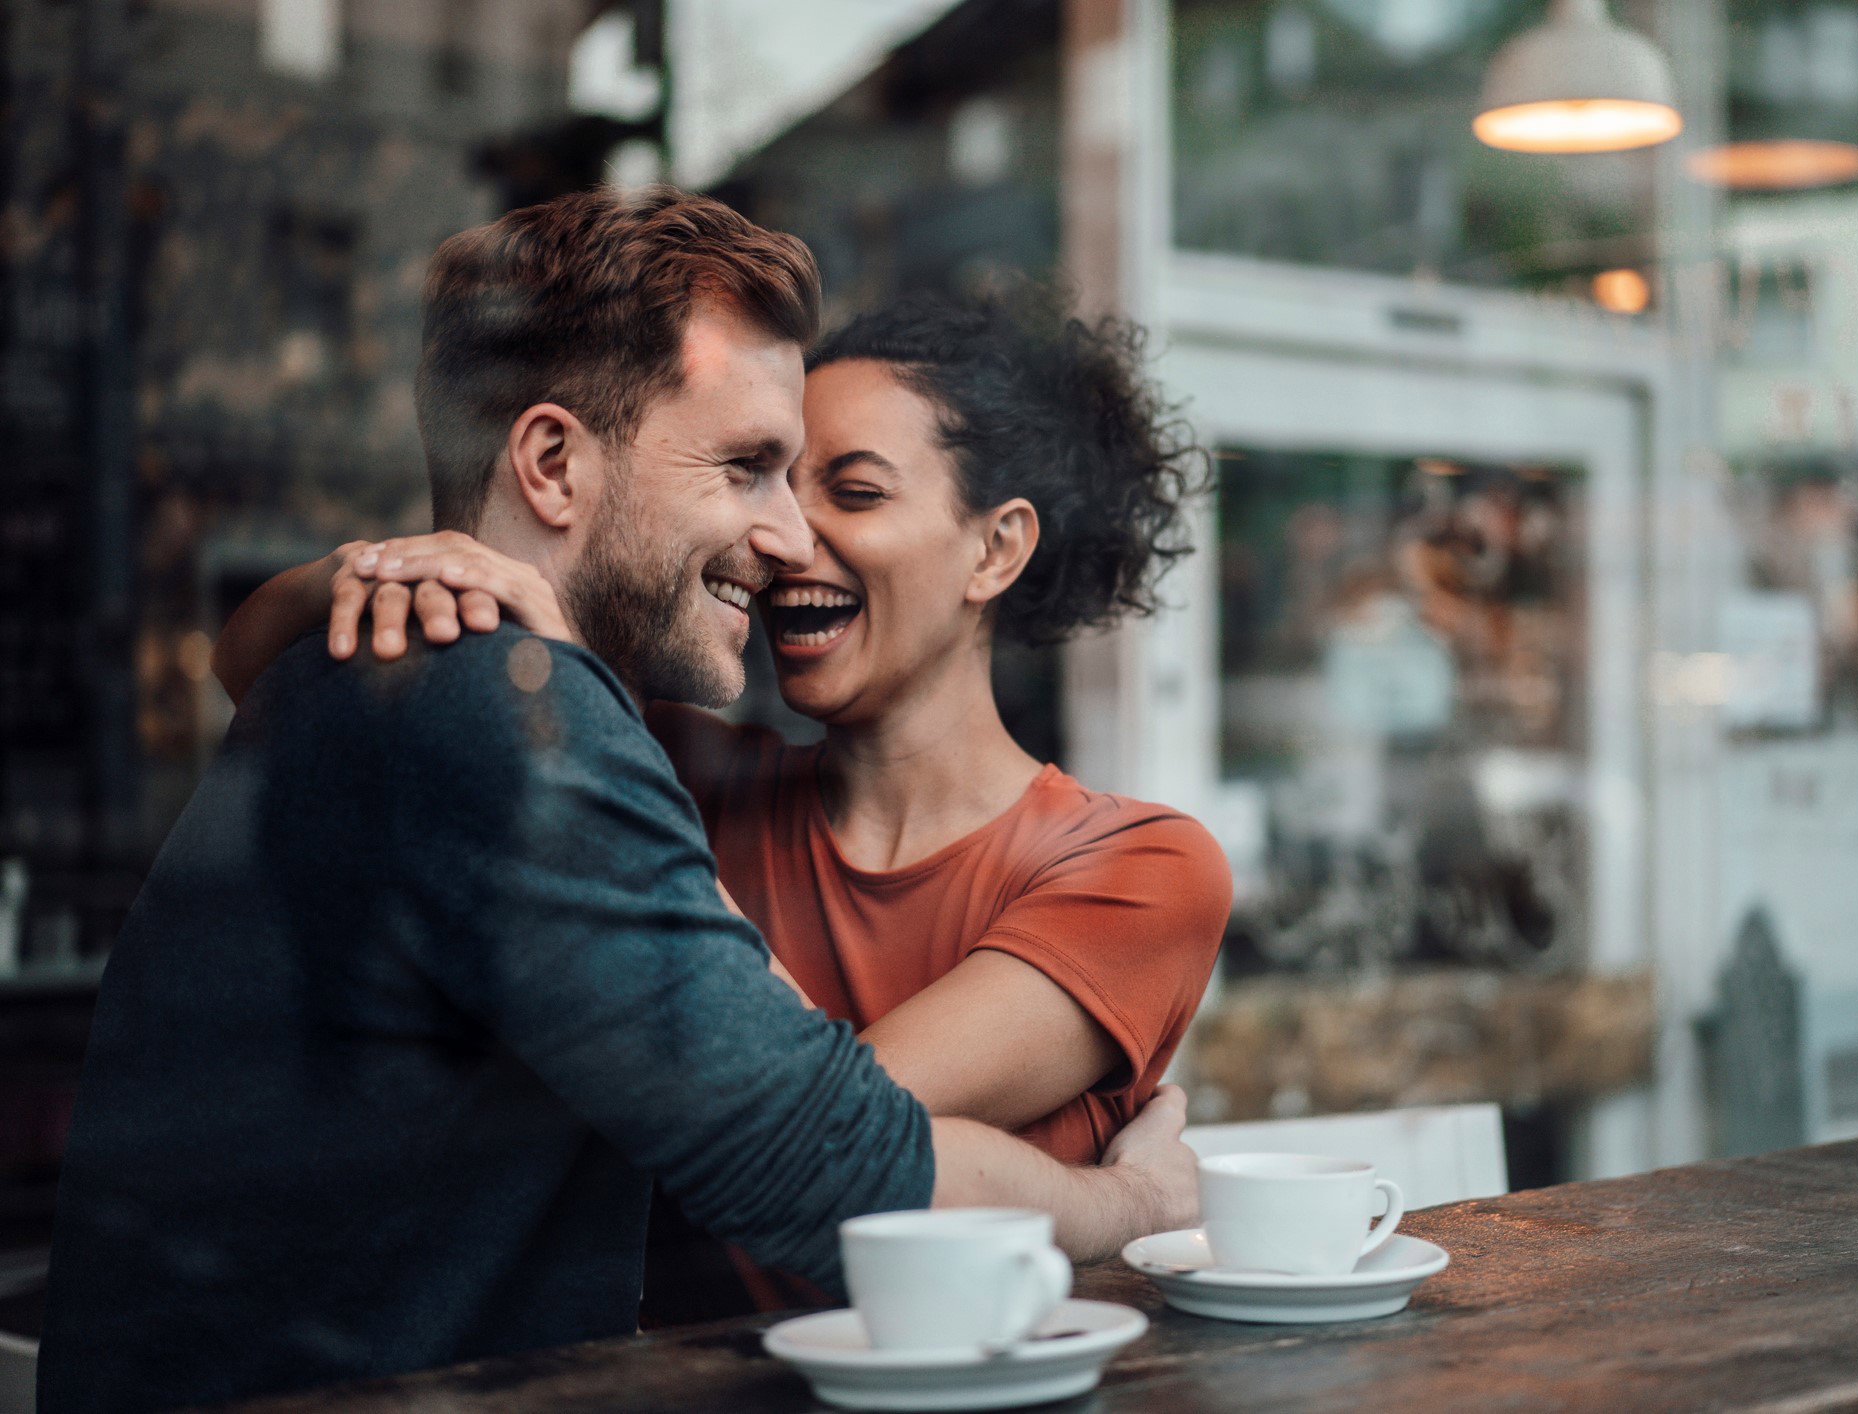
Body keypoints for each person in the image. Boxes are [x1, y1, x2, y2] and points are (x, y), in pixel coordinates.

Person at [37, 187, 1197, 1414]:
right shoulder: (498, 709)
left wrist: (365, 578)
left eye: (814, 481)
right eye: (749, 469)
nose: (787, 533)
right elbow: (821, 1148)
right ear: (550, 465)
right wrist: (1140, 1203)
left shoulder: (417, 676)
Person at [218, 287, 1232, 1174]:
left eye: (856, 491)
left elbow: (820, 1116)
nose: (784, 537)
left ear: (996, 549)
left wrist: (559, 652)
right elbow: (245, 664)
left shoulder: (1142, 868)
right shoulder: (683, 766)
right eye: (771, 482)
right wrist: (373, 571)